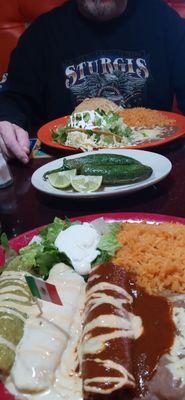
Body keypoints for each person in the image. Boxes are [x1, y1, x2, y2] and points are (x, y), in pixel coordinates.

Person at [0, 0, 185, 163]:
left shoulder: (163, 20)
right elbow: (13, 97)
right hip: (69, 169)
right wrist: (7, 121)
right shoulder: (42, 33)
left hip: (155, 162)